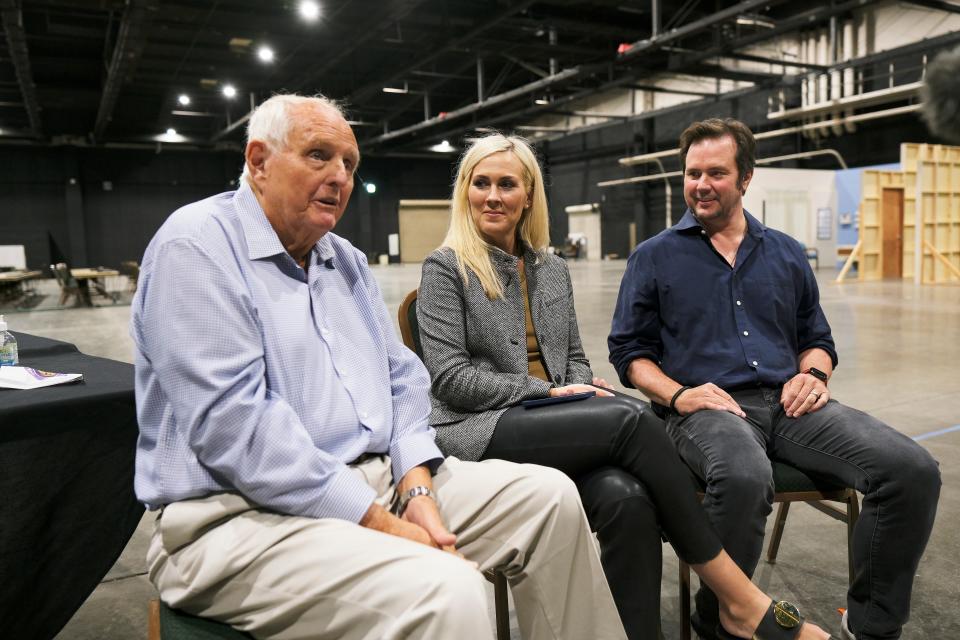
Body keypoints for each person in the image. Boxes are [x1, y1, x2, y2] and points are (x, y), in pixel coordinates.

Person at [130, 94, 628, 640]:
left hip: (380, 480)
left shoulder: (341, 259)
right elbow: (237, 432)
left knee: (549, 500)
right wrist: (379, 522)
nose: (339, 177)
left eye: (349, 164)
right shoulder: (196, 246)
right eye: (319, 155)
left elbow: (404, 382)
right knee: (447, 590)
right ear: (258, 160)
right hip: (237, 518)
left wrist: (415, 486)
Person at [416, 132, 831, 640]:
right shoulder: (445, 268)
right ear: (466, 192)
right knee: (633, 417)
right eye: (481, 183)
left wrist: (573, 388)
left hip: (552, 419)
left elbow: (571, 358)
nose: (493, 196)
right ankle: (739, 598)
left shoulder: (551, 270)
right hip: (478, 426)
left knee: (627, 498)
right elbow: (451, 380)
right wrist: (546, 394)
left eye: (507, 184)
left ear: (528, 196)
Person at [608, 117, 941, 640]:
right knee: (743, 476)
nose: (700, 184)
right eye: (692, 173)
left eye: (715, 172)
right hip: (704, 408)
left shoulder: (785, 252)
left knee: (911, 470)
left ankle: (872, 627)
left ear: (745, 178)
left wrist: (813, 372)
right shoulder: (654, 257)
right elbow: (629, 353)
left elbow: (818, 337)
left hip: (791, 404)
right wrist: (679, 394)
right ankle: (720, 619)